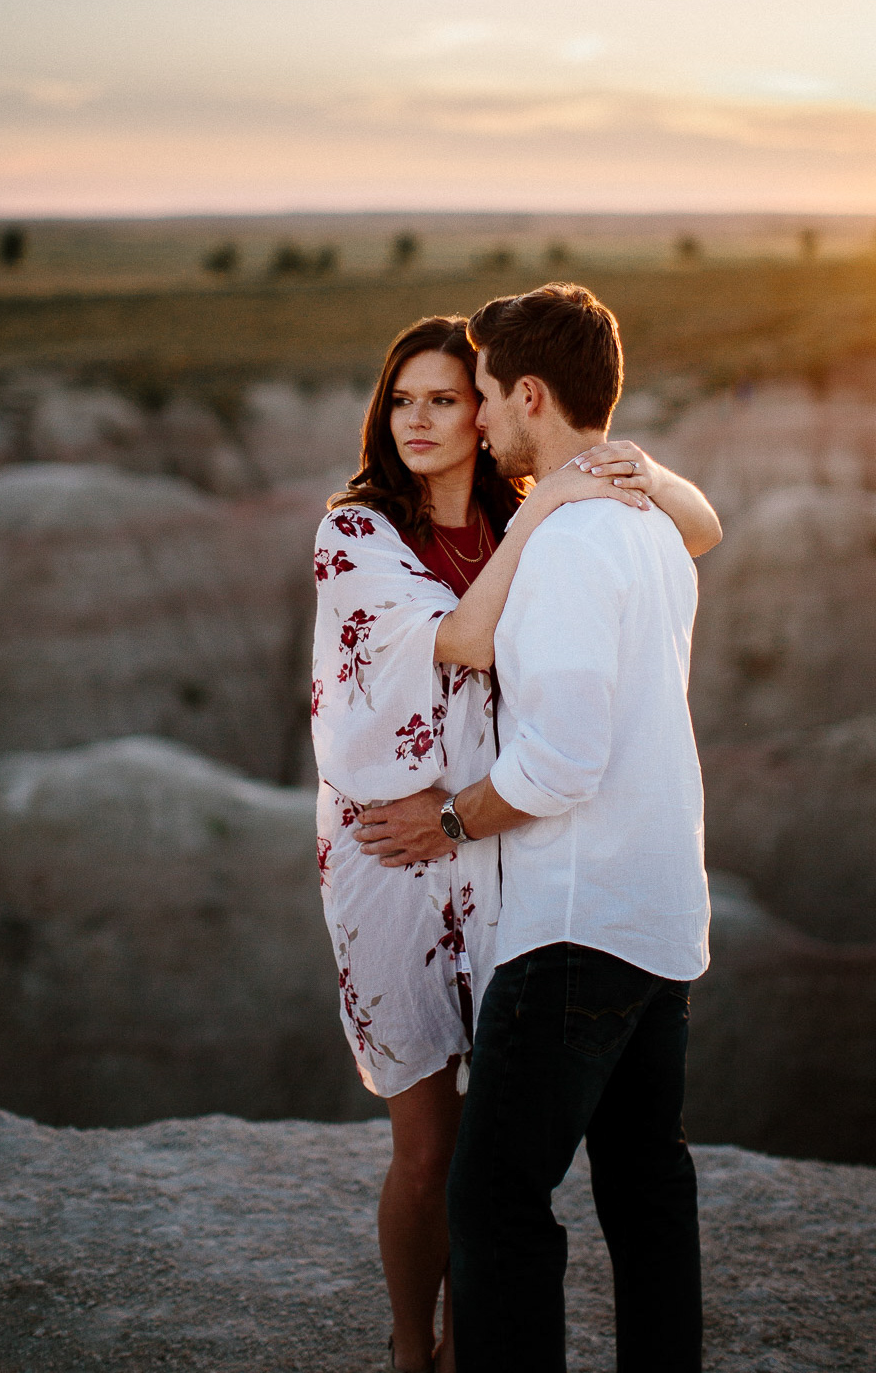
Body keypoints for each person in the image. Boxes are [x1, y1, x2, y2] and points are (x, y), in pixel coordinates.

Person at [311, 312, 721, 1373]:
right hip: (400, 852)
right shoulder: (365, 532)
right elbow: (459, 639)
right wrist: (566, 494)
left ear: (515, 399)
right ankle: (419, 1352)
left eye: (458, 396)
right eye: (404, 398)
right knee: (449, 1149)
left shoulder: (549, 516)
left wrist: (615, 469)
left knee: (500, 1186)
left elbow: (698, 527)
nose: (435, 417)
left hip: (519, 862)